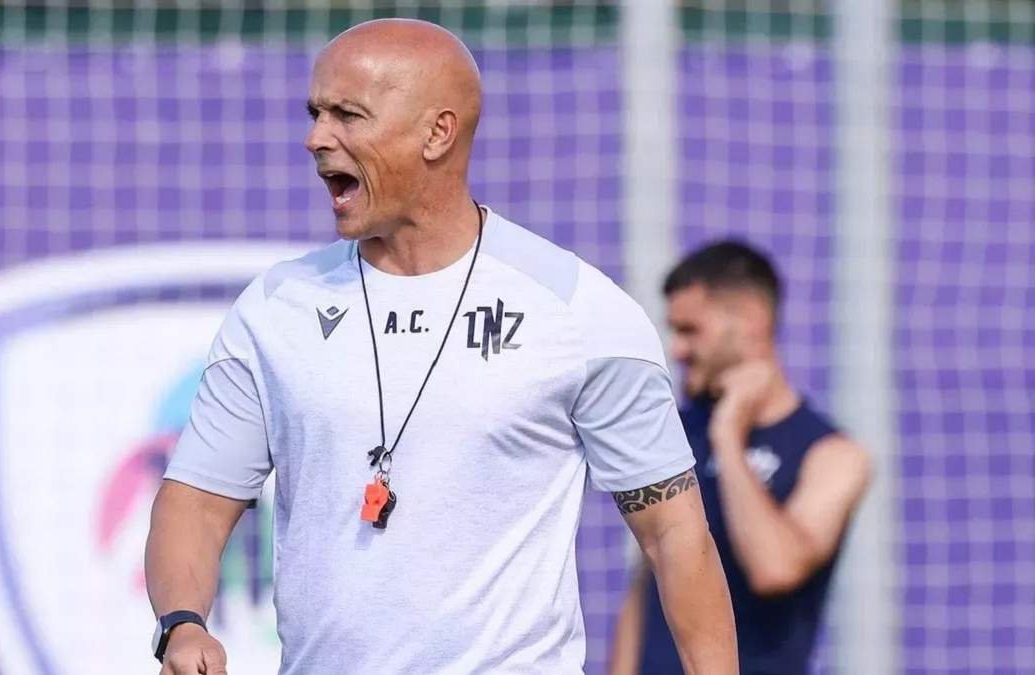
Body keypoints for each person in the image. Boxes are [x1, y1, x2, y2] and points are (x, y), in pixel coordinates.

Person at [145, 18, 736, 675]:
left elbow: (675, 535)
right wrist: (182, 625)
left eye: (347, 115)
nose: (316, 138)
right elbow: (198, 500)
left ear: (438, 133)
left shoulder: (579, 310)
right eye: (315, 113)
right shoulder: (274, 307)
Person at [608, 241, 873, 675]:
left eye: (690, 330)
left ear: (751, 321)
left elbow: (776, 567)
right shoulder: (676, 430)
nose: (677, 350)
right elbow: (650, 574)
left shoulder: (833, 456)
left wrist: (729, 436)